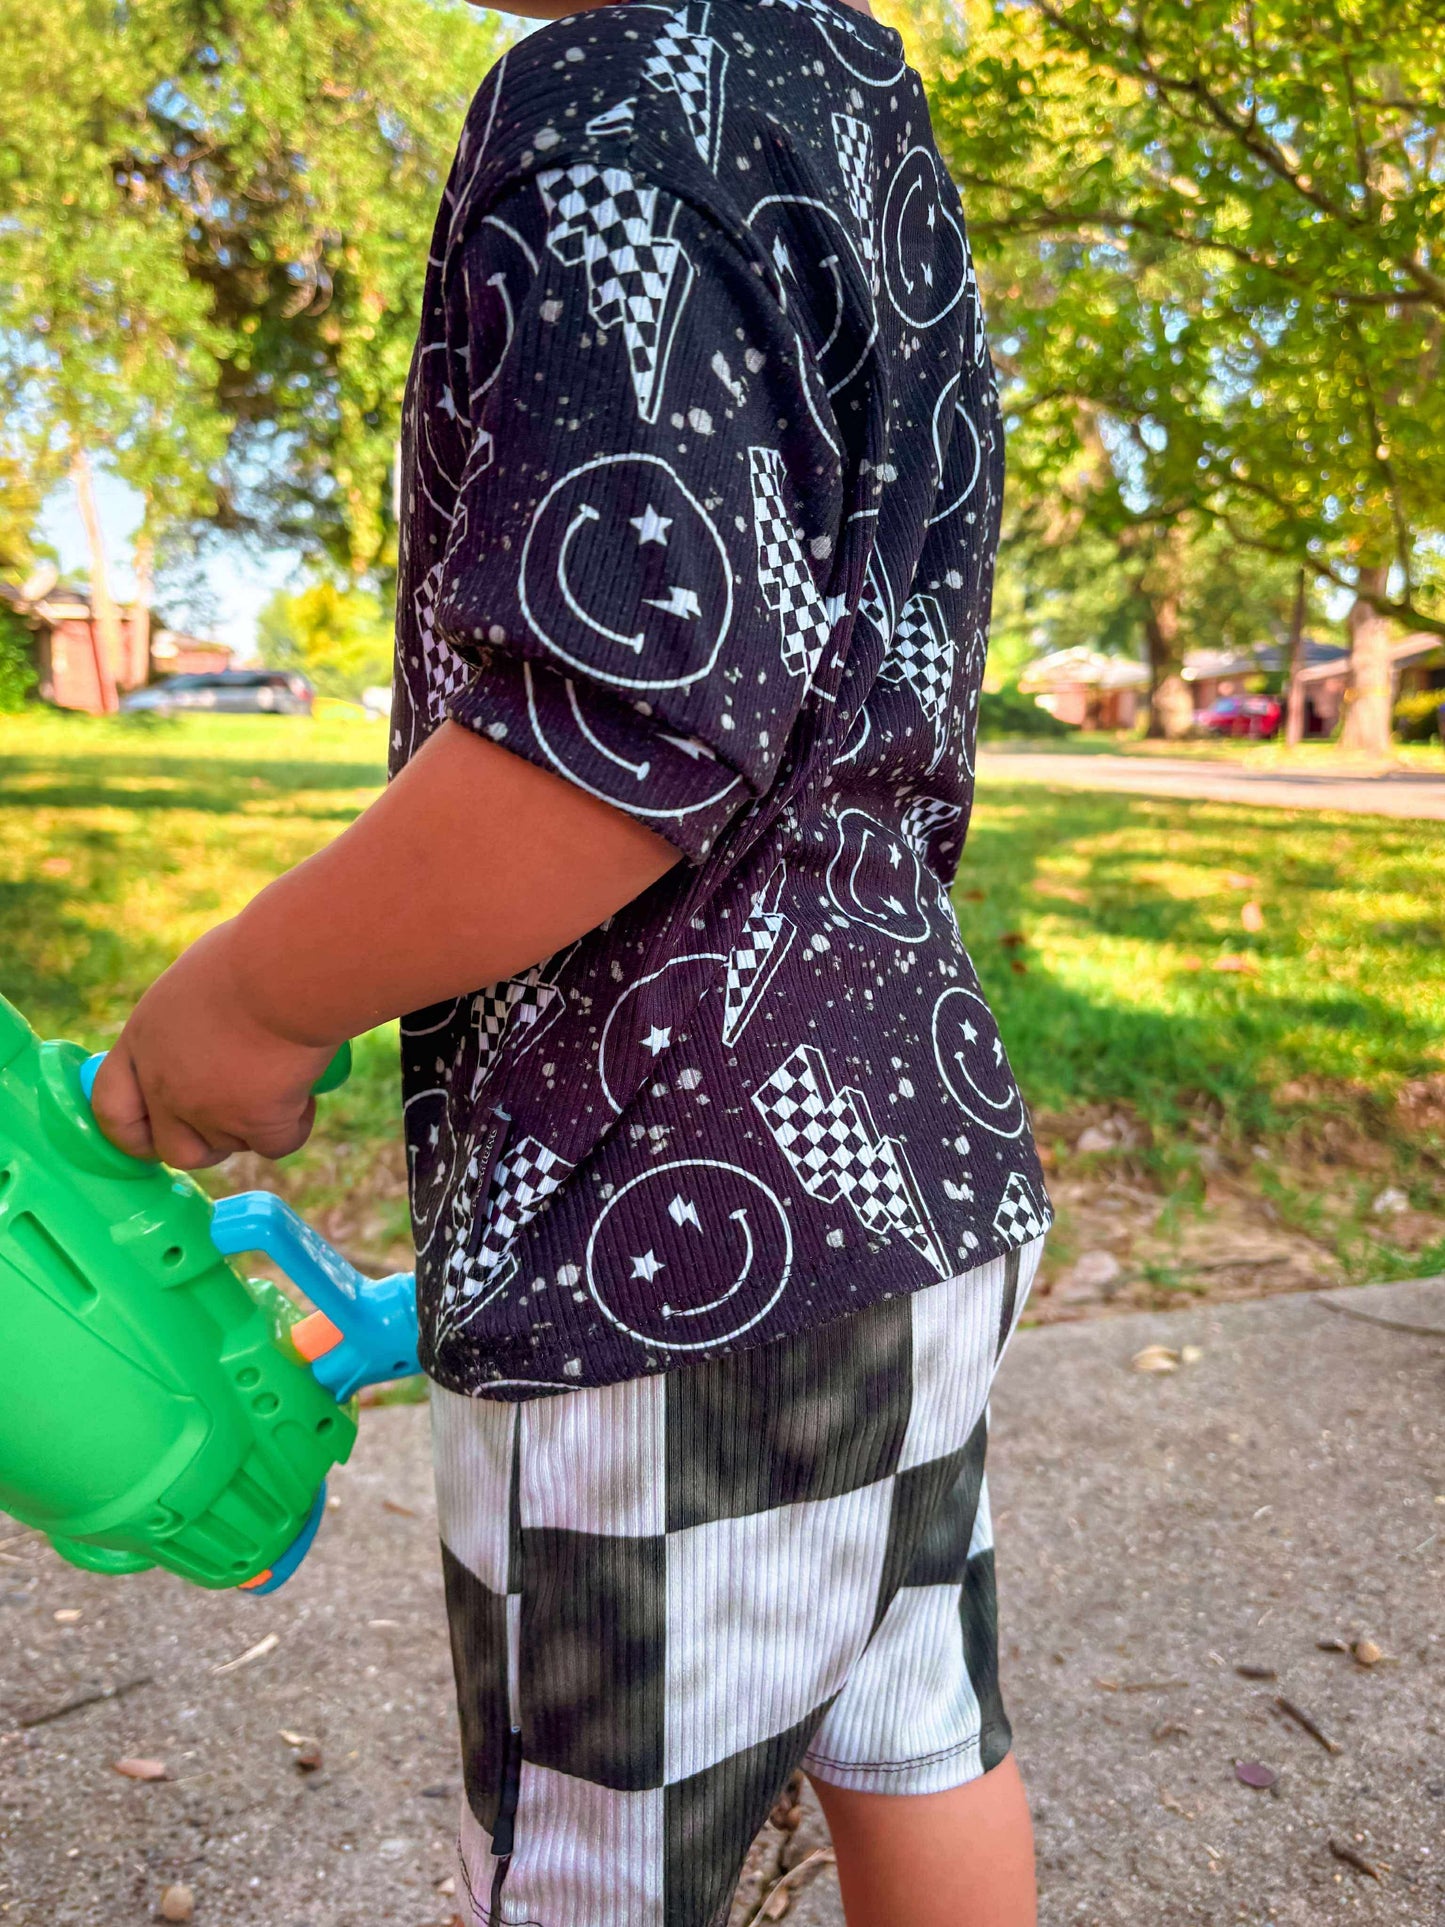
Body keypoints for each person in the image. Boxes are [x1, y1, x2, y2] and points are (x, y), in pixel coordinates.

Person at [91, 0, 1052, 1920]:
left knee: (595, 1864)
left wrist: (250, 1002)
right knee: (912, 1712)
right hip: (910, 1163)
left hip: (669, 1229)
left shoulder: (604, 98)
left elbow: (621, 720)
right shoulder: (857, 102)